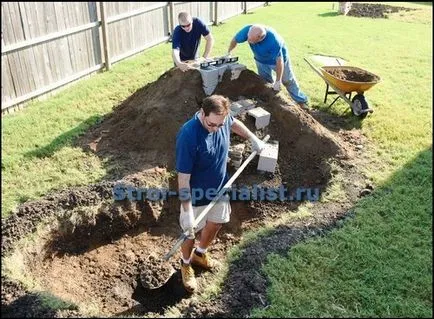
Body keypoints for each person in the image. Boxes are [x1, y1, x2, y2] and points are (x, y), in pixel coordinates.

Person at [175, 95, 265, 293]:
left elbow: (234, 124)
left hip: (220, 187)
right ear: (202, 113)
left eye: (219, 124)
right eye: (211, 124)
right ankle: (186, 263)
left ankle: (201, 253)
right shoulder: (188, 135)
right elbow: (183, 179)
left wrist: (253, 138)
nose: (216, 129)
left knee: (216, 223)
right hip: (196, 194)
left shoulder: (222, 119)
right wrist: (187, 210)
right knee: (189, 232)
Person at [226, 24, 309, 107]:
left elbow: (279, 62)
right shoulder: (249, 30)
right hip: (260, 59)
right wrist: (229, 53)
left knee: (287, 80)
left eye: (251, 40)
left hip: (276, 61)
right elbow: (235, 39)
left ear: (260, 38)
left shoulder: (274, 41)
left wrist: (278, 80)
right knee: (266, 81)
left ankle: (301, 100)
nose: (248, 40)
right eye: (248, 38)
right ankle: (271, 101)